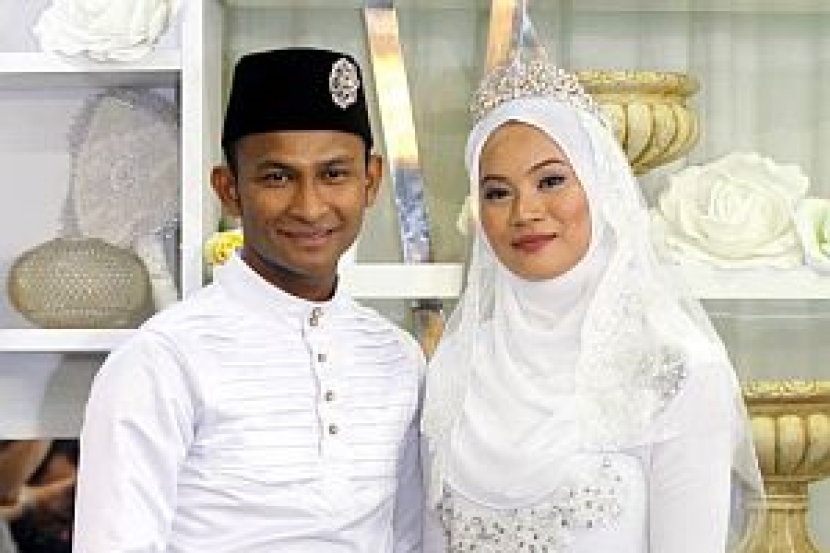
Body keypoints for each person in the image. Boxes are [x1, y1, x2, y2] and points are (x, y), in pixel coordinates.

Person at [73, 47, 425, 553]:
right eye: (277, 177)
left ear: (370, 181)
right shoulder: (162, 361)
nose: (310, 207)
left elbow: (407, 540)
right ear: (229, 189)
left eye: (333, 174)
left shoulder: (398, 358)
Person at [421, 44, 764, 552]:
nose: (524, 212)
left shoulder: (673, 371)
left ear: (600, 186)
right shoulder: (457, 364)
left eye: (551, 181)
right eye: (496, 192)